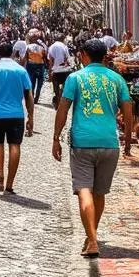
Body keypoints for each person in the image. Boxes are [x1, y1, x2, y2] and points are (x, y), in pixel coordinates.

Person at [52, 38, 134, 258]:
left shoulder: (75, 78)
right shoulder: (117, 79)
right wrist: (127, 140)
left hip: (83, 142)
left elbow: (63, 108)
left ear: (84, 56)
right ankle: (91, 237)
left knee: (84, 191)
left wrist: (55, 137)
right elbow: (128, 111)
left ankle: (93, 239)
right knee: (99, 192)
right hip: (109, 143)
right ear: (105, 56)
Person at [0, 41, 34, 194]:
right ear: (12, 53)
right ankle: (10, 184)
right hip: (16, 114)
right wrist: (31, 116)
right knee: (14, 145)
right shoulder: (21, 70)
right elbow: (28, 94)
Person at [48, 35, 74, 108]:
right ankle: (62, 102)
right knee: (64, 87)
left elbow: (50, 61)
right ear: (62, 39)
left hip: (55, 71)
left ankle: (58, 102)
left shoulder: (51, 47)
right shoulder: (64, 46)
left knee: (56, 89)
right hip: (64, 70)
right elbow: (67, 58)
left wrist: (50, 73)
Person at [25, 33, 48, 104]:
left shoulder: (28, 47)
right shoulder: (41, 48)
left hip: (31, 65)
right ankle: (36, 98)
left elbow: (26, 57)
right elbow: (45, 57)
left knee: (32, 81)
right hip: (40, 65)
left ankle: (31, 97)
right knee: (40, 82)